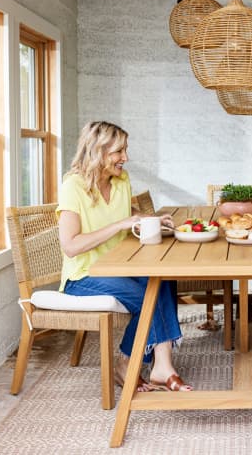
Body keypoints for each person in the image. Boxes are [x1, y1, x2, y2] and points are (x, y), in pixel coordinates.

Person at [57, 120, 192, 392]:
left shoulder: (121, 180)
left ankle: (161, 366)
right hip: (84, 275)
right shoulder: (73, 187)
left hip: (119, 266)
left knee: (162, 279)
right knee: (147, 298)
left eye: (125, 150)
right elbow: (70, 246)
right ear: (97, 151)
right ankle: (132, 363)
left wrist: (150, 219)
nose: (125, 158)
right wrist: (121, 224)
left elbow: (126, 216)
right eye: (118, 151)